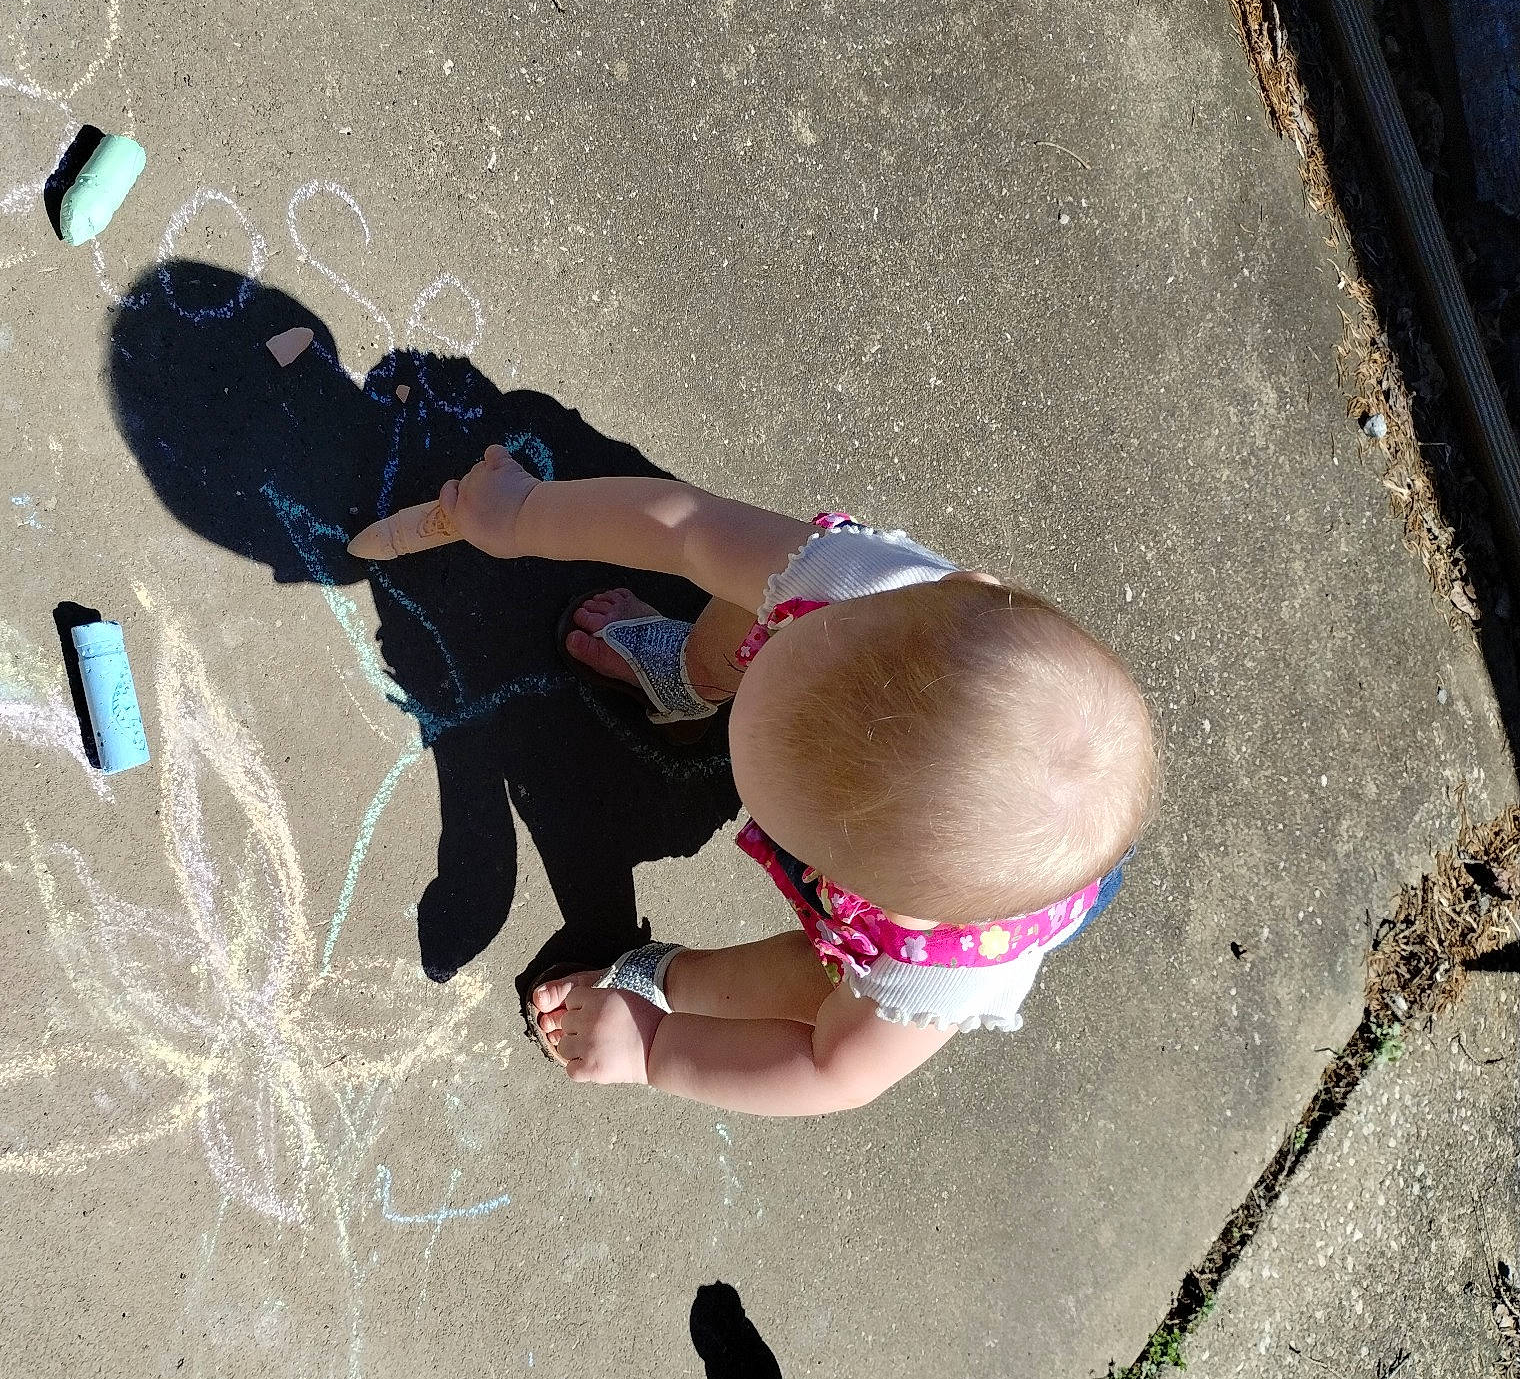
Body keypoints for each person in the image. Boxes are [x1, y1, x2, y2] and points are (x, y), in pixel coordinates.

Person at [417, 444, 1158, 1116]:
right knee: (759, 585)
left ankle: (665, 982)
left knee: (819, 986)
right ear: (965, 587)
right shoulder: (868, 592)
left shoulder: (929, 967)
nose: (772, 644)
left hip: (933, 918)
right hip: (902, 729)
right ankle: (687, 677)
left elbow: (831, 1070)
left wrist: (655, 1051)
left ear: (881, 898)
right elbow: (689, 531)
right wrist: (522, 514)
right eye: (780, 648)